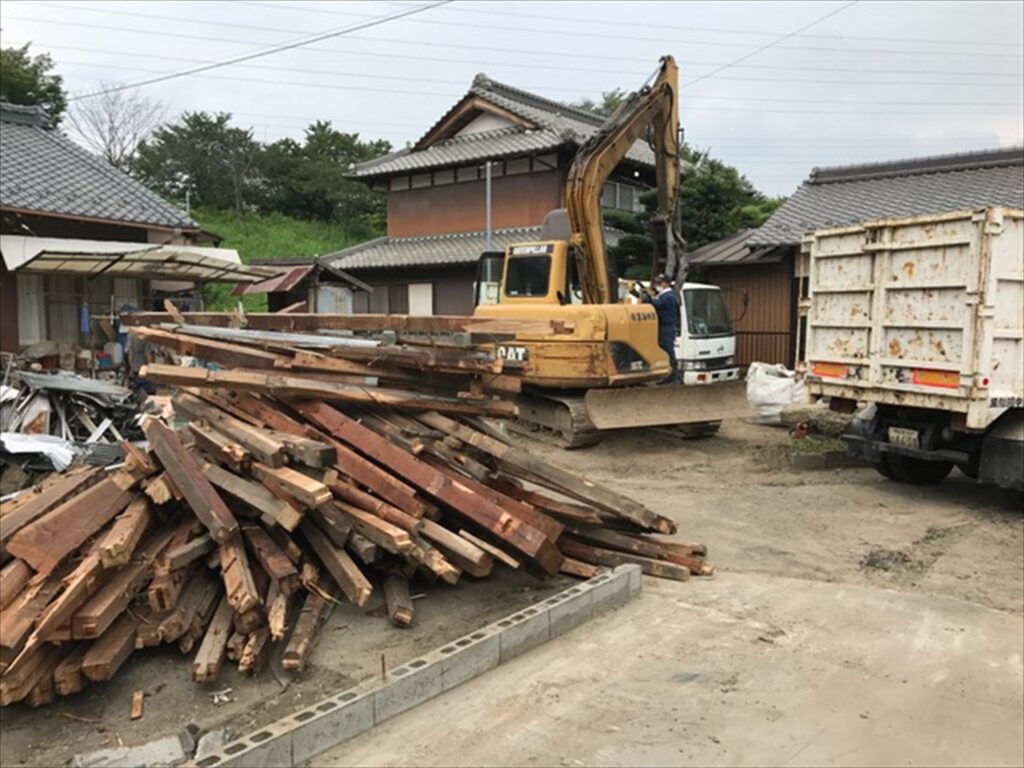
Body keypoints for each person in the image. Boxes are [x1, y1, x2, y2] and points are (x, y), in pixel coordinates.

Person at [638, 274, 681, 383]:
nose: (657, 285)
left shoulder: (668, 296)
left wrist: (648, 298)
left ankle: (673, 375)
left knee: (667, 349)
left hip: (667, 326)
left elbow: (657, 304)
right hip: (663, 326)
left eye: (660, 283)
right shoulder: (663, 295)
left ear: (666, 283)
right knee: (663, 348)